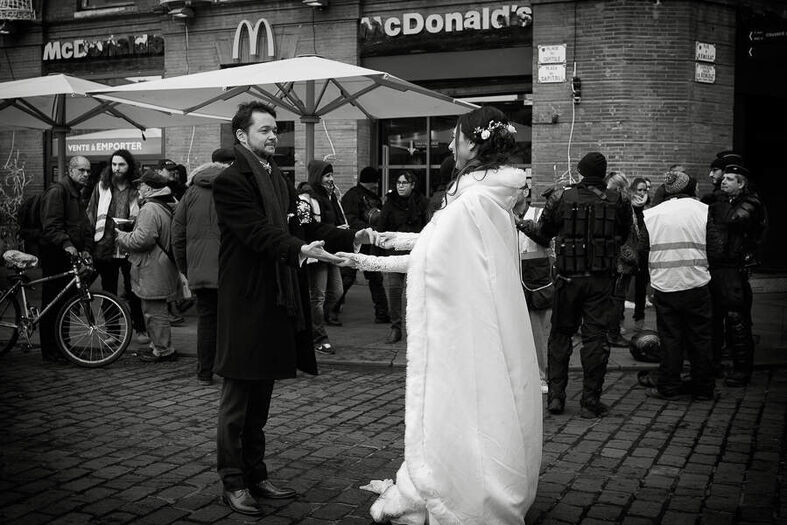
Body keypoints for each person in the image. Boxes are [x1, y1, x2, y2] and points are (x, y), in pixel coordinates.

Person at [338, 106, 541, 524]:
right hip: (488, 317)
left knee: (461, 406)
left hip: (463, 325)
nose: (450, 144)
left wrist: (365, 262)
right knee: (487, 401)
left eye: (456, 137)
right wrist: (378, 238)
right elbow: (433, 243)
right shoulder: (488, 197)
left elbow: (429, 259)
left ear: (474, 143)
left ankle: (458, 485)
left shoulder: (470, 202)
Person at [211, 101, 374, 517]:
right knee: (237, 402)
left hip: (276, 301)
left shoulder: (280, 182)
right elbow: (258, 234)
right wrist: (299, 248)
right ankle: (233, 482)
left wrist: (351, 235)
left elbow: (302, 229)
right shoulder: (231, 182)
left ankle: (256, 473)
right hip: (246, 302)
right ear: (242, 136)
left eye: (274, 130)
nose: (272, 137)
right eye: (264, 130)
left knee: (261, 397)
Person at [521, 151, 632, 418]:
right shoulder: (619, 200)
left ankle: (556, 398)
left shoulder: (561, 197)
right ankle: (590, 401)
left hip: (568, 280)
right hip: (600, 281)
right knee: (596, 339)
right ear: (603, 175)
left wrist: (522, 224)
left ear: (581, 173)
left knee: (560, 336)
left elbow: (544, 234)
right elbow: (623, 233)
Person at [642, 171, 715, 401]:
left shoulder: (651, 214)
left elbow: (642, 249)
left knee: (671, 338)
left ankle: (669, 385)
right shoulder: (703, 210)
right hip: (696, 282)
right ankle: (703, 387)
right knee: (700, 337)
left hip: (665, 285)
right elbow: (715, 246)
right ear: (691, 189)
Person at [707, 164, 766, 387]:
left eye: (730, 179)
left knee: (736, 320)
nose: (724, 181)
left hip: (734, 269)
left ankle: (742, 369)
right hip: (717, 266)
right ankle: (713, 364)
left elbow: (735, 220)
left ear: (741, 183)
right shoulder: (721, 200)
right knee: (712, 318)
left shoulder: (751, 202)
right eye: (725, 178)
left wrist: (717, 203)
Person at [115, 169, 180, 363]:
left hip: (153, 267)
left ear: (150, 188)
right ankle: (158, 346)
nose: (138, 188)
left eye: (140, 185)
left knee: (154, 311)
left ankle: (163, 350)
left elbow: (143, 240)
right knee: (156, 309)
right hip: (161, 265)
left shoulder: (150, 208)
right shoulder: (166, 203)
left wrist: (121, 236)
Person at [85, 149, 148, 344]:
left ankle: (140, 329)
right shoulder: (102, 186)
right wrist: (88, 244)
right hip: (105, 246)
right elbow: (91, 213)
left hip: (130, 246)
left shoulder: (137, 188)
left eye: (121, 164)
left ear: (129, 166)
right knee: (108, 291)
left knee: (134, 290)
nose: (117, 168)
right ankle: (113, 332)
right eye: (114, 164)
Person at [172, 162, 225, 384]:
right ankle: (231, 369)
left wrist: (186, 268)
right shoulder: (233, 189)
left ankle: (204, 373)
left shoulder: (190, 194)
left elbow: (177, 235)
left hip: (200, 272)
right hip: (230, 271)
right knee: (232, 321)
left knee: (207, 321)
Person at [38, 156, 94, 362]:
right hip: (55, 255)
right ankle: (50, 350)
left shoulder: (76, 194)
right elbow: (51, 225)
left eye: (88, 171)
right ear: (70, 171)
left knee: (66, 303)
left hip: (70, 257)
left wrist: (86, 248)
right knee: (53, 303)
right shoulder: (58, 191)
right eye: (81, 170)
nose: (86, 174)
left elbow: (83, 226)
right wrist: (67, 244)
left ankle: (63, 345)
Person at [378, 171, 428, 344]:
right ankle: (395, 328)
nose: (400, 186)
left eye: (405, 183)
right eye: (398, 182)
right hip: (395, 255)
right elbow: (381, 227)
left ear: (412, 185)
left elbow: (427, 228)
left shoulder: (422, 203)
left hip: (417, 254)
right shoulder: (390, 203)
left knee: (417, 292)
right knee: (394, 290)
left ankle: (418, 329)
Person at [337, 166, 390, 324]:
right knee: (350, 277)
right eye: (374, 183)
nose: (376, 186)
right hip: (356, 243)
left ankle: (382, 313)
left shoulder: (357, 195)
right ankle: (331, 309)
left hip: (363, 242)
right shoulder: (355, 196)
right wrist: (369, 230)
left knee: (370, 278)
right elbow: (350, 220)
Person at [306, 159, 347, 353]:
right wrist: (336, 230)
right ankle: (318, 336)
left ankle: (312, 324)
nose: (331, 179)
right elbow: (311, 227)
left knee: (336, 292)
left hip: (331, 251)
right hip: (317, 252)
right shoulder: (309, 197)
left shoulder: (331, 197)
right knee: (318, 297)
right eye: (327, 175)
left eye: (331, 175)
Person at [516, 180, 553, 394]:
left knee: (537, 332)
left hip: (537, 280)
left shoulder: (539, 214)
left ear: (526, 191)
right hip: (514, 277)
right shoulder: (502, 216)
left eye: (517, 189)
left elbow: (545, 238)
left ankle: (541, 375)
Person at [604, 171, 633, 347]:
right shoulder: (623, 203)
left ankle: (611, 333)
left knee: (616, 298)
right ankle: (612, 334)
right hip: (621, 256)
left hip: (619, 256)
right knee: (616, 298)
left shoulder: (619, 203)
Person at [629, 177, 651, 331]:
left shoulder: (648, 210)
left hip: (643, 252)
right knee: (622, 285)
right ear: (633, 190)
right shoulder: (627, 207)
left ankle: (639, 318)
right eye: (639, 190)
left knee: (641, 286)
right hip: (629, 251)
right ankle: (619, 320)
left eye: (645, 190)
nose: (643, 193)